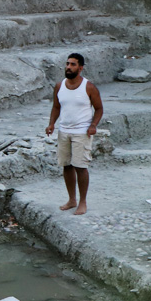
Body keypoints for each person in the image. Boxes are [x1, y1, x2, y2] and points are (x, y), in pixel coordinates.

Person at [44, 53, 103, 216]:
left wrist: (93, 125)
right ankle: (72, 199)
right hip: (64, 131)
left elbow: (99, 108)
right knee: (67, 165)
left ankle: (83, 202)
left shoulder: (88, 87)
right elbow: (56, 107)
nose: (68, 67)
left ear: (80, 68)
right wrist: (51, 124)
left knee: (81, 166)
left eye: (73, 64)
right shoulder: (59, 86)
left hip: (82, 132)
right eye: (67, 64)